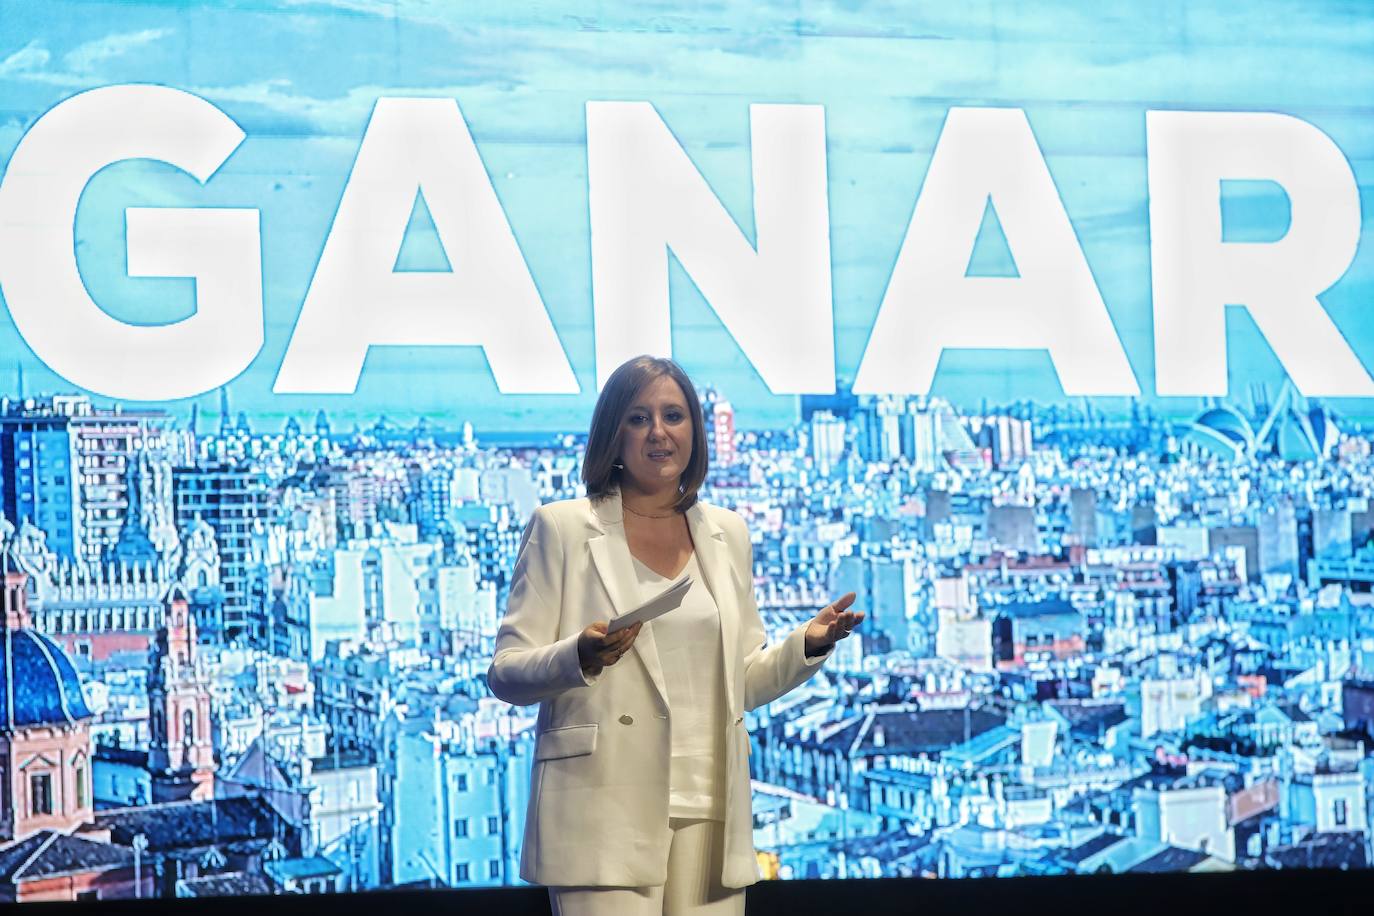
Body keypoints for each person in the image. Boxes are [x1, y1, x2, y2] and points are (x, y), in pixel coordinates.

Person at [487, 355, 863, 915]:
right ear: (611, 435)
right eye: (638, 418)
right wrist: (579, 656)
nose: (658, 432)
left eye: (673, 415)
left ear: (696, 432)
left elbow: (740, 683)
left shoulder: (727, 533)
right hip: (603, 804)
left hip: (711, 805)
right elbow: (506, 672)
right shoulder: (561, 528)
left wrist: (805, 646)